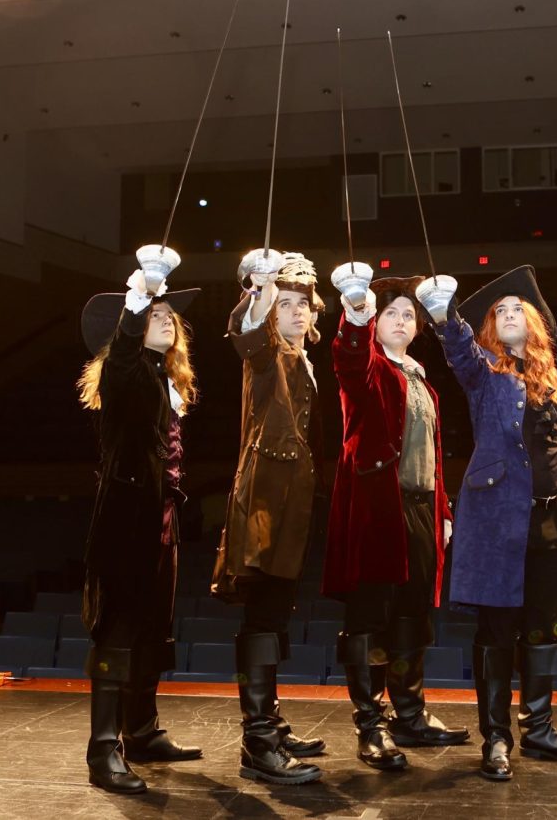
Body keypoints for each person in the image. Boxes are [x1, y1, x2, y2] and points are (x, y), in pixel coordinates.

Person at [415, 265, 557, 782]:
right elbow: (458, 351)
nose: (510, 313)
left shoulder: (550, 382)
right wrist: (445, 314)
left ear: (535, 322)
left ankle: (539, 730)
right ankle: (496, 738)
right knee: (497, 633)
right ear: (491, 327)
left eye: (519, 308)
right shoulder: (484, 371)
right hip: (496, 523)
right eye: (501, 310)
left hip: (546, 524)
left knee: (544, 631)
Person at [323, 263, 470, 772]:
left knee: (412, 620)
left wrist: (443, 511)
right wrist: (356, 311)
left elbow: (435, 455)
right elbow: (347, 355)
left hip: (421, 510)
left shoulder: (424, 384)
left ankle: (410, 714)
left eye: (410, 315)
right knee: (370, 620)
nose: (404, 321)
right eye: (393, 314)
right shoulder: (368, 367)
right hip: (378, 510)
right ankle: (371, 724)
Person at [76, 247, 203, 795]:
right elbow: (125, 360)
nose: (166, 319)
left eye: (169, 315)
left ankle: (142, 732)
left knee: (153, 631)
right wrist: (137, 300)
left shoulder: (163, 381)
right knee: (119, 634)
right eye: (156, 314)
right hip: (126, 524)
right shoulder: (125, 375)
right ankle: (103, 749)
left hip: (161, 522)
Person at [212, 249, 327, 785]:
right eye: (286, 304)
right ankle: (257, 741)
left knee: (276, 614)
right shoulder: (267, 351)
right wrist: (256, 290)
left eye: (303, 303)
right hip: (262, 504)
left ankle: (271, 724)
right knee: (260, 617)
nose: (297, 312)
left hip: (290, 503)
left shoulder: (303, 358)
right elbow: (245, 332)